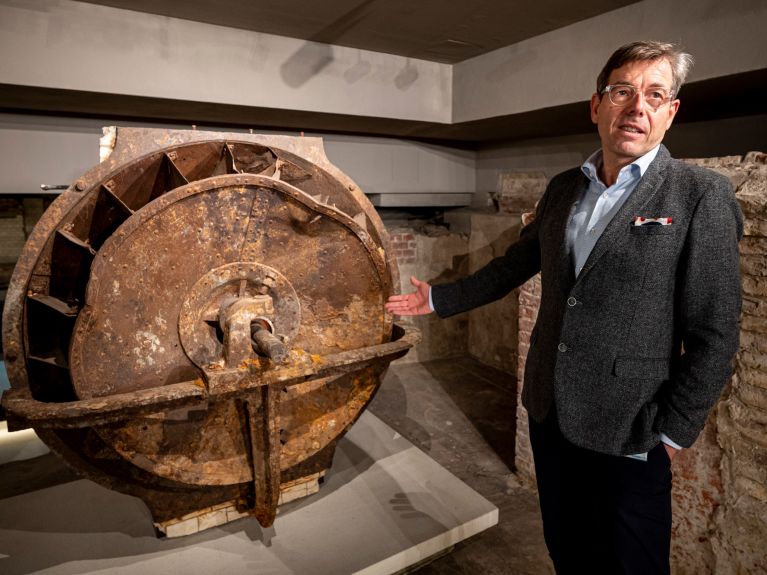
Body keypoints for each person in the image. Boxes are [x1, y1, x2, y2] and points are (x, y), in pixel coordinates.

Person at [385, 41, 742, 574]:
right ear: (596, 106)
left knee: (631, 566)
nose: (636, 106)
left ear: (671, 112)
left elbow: (715, 333)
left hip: (630, 428)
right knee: (568, 552)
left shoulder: (699, 196)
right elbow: (515, 264)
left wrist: (670, 433)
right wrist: (438, 298)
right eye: (622, 91)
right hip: (549, 411)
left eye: (654, 94)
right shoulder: (563, 189)